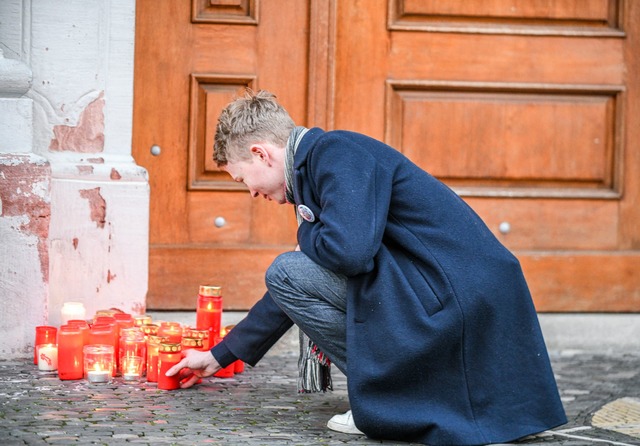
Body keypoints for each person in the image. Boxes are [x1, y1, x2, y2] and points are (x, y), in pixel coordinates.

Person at [166, 89, 567, 445]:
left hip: (454, 295)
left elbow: (349, 254)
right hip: (441, 288)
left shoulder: (337, 153)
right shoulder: (321, 166)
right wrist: (218, 356)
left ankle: (395, 400)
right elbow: (311, 277)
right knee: (291, 272)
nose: (252, 192)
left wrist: (307, 231)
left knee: (287, 269)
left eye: (243, 181)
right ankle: (396, 396)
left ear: (261, 153)